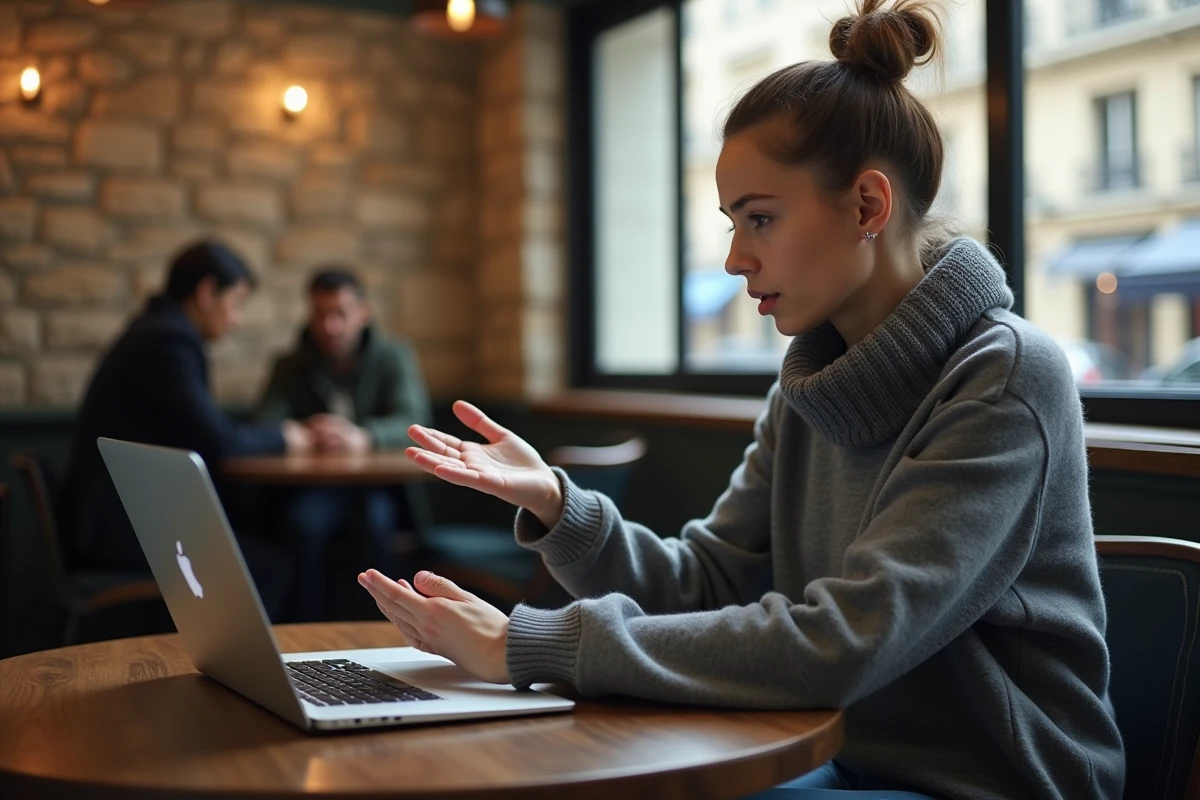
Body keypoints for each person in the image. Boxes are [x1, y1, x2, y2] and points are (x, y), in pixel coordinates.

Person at [357, 1, 1125, 798]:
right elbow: (707, 584)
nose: (733, 259)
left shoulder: (1005, 377)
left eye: (760, 218)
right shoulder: (812, 381)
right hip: (846, 762)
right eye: (733, 222)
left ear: (868, 206)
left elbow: (846, 640)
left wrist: (532, 643)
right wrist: (559, 505)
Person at [61, 241, 312, 614]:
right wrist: (288, 435)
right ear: (207, 292)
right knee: (271, 567)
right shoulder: (168, 341)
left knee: (264, 546)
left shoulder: (156, 330)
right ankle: (253, 670)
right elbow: (219, 440)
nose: (237, 319)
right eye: (237, 302)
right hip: (120, 530)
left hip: (118, 519)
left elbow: (207, 434)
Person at [257, 267, 431, 621]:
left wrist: (363, 435)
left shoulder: (393, 357)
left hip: (378, 487)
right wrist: (309, 431)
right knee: (300, 525)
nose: (329, 326)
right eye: (320, 314)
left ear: (363, 313)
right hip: (314, 488)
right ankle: (304, 636)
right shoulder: (290, 365)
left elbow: (415, 422)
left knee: (375, 522)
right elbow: (264, 423)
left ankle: (386, 631)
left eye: (340, 314)